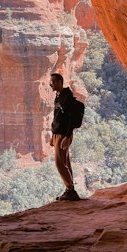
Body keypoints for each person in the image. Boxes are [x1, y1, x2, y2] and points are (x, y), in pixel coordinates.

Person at [49, 72, 80, 201]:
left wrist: (67, 136)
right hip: (58, 134)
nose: (51, 84)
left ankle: (71, 190)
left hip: (63, 134)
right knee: (65, 161)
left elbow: (71, 119)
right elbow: (57, 117)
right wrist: (53, 135)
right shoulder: (58, 97)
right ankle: (69, 190)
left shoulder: (67, 98)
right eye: (51, 82)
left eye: (54, 82)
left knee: (59, 163)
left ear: (60, 82)